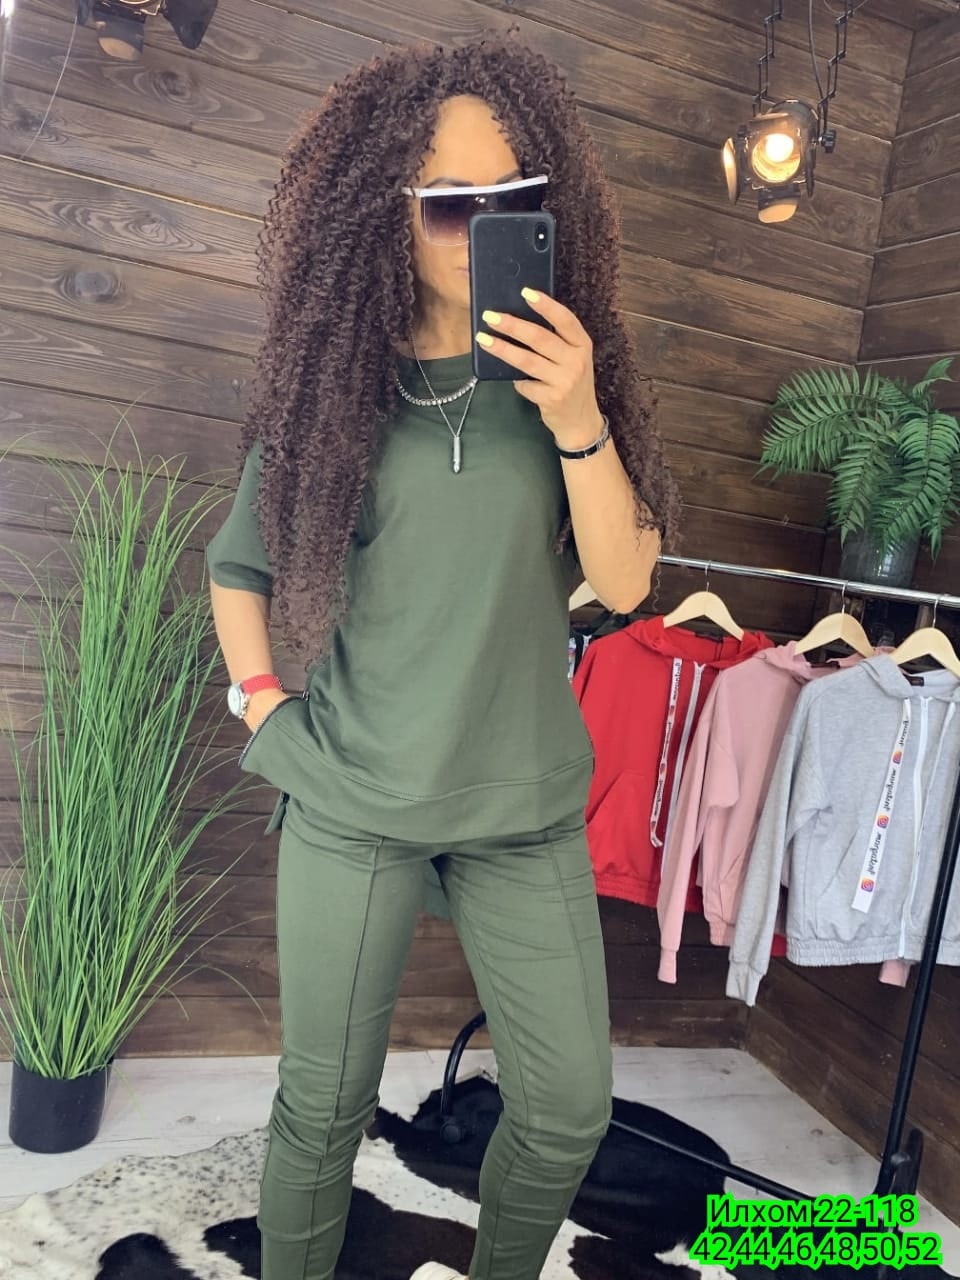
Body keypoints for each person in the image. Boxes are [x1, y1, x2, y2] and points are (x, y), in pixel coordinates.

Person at [205, 31, 679, 1280]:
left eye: (513, 199)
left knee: (568, 1108)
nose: (484, 228)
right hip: (354, 790)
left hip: (520, 804)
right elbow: (240, 566)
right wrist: (263, 706)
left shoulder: (569, 365)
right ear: (385, 212)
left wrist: (576, 414)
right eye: (450, 204)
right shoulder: (334, 386)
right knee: (323, 1103)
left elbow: (628, 582)